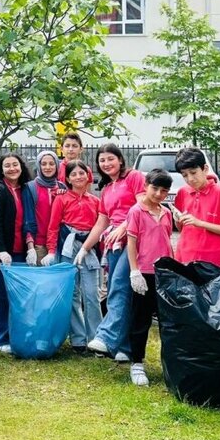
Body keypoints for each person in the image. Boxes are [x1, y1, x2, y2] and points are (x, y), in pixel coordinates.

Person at [81, 144, 146, 361]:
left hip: (134, 241)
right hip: (114, 245)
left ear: (120, 159)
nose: (107, 164)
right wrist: (84, 248)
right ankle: (125, 348)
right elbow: (101, 222)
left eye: (111, 159)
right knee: (120, 291)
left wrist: (124, 226)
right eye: (102, 161)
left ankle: (106, 337)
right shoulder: (107, 189)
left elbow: (143, 206)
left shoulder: (134, 177)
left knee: (119, 286)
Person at [43, 160, 102, 354]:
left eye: (81, 173)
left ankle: (96, 338)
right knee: (73, 294)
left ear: (88, 175)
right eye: (74, 174)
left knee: (92, 294)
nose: (78, 177)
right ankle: (78, 338)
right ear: (67, 178)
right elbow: (53, 227)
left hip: (88, 247)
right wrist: (51, 251)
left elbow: (99, 227)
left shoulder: (95, 201)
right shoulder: (61, 199)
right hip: (68, 248)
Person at [124, 169, 174, 387]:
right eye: (155, 188)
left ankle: (169, 362)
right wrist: (134, 271)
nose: (159, 194)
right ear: (145, 185)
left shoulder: (166, 212)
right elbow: (131, 242)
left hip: (164, 273)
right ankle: (136, 363)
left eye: (164, 191)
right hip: (143, 272)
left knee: (167, 321)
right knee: (140, 320)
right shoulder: (136, 211)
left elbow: (167, 240)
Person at [0, 153, 38, 354]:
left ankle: (18, 334)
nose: (12, 168)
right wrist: (0, 251)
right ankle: (1, 338)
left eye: (15, 164)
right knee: (1, 296)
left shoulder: (25, 190)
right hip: (3, 253)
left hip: (21, 251)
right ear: (1, 169)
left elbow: (29, 221)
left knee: (20, 298)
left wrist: (30, 246)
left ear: (21, 167)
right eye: (7, 165)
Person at [173, 147, 220, 266]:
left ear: (205, 169)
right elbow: (182, 229)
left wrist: (200, 223)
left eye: (193, 173)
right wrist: (177, 220)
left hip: (215, 263)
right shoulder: (182, 193)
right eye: (185, 175)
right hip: (185, 259)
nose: (190, 179)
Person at [30, 149, 67, 264]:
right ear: (38, 166)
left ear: (57, 166)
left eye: (51, 164)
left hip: (59, 244)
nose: (48, 167)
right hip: (39, 244)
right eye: (43, 164)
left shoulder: (62, 187)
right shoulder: (31, 187)